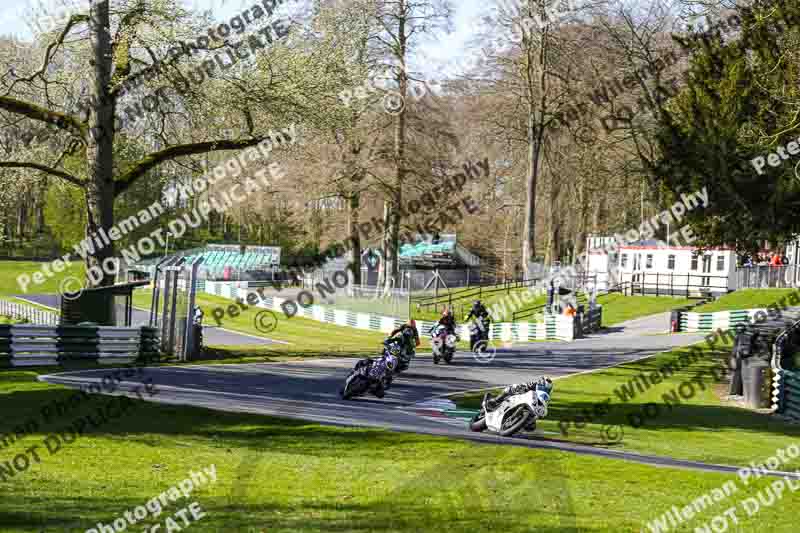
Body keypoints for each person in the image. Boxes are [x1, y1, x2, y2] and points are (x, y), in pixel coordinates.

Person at [486, 376, 553, 410]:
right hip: (518, 398)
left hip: (527, 406)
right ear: (540, 383)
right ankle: (496, 400)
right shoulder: (533, 384)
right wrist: (520, 388)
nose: (544, 390)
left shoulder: (545, 397)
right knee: (513, 387)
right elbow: (522, 385)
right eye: (543, 387)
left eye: (547, 390)